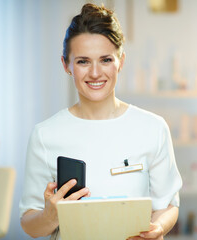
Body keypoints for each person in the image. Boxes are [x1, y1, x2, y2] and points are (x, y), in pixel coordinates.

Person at [19, 3, 182, 240]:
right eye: (83, 61)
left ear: (121, 61)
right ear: (66, 65)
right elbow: (29, 224)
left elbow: (168, 205)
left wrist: (157, 229)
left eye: (105, 60)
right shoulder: (45, 135)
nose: (95, 73)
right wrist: (49, 216)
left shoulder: (153, 128)